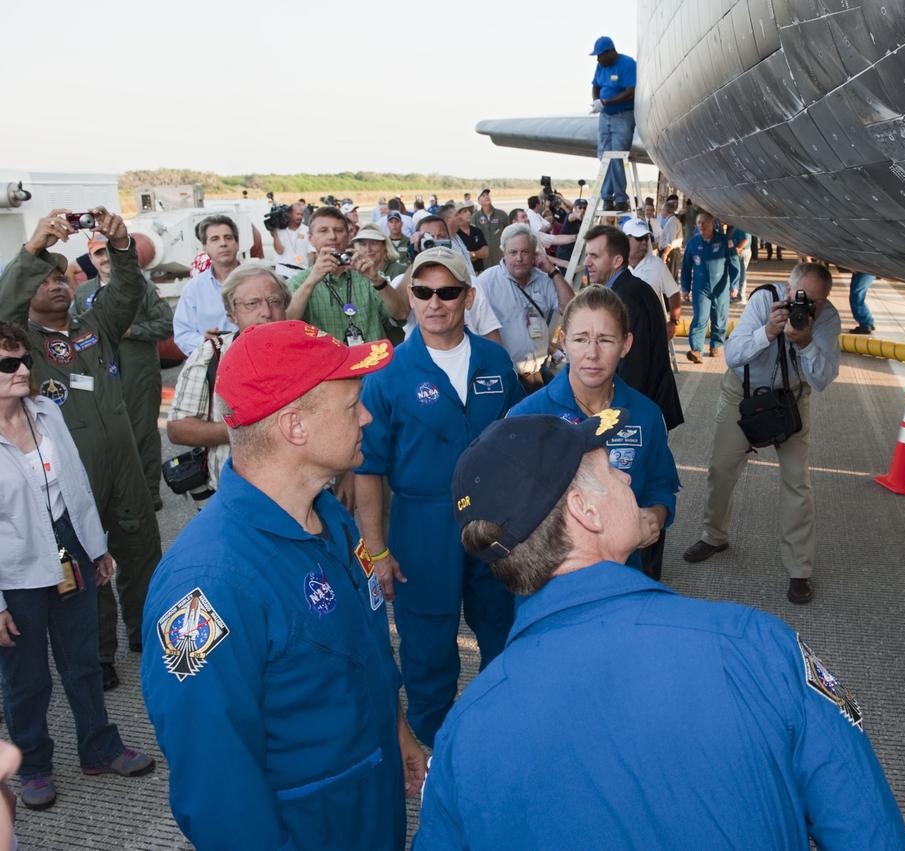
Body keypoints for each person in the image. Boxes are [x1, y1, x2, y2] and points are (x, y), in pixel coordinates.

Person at [412, 411, 905, 849]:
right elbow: (867, 830)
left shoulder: (464, 735)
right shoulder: (754, 647)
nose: (626, 474)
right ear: (584, 512)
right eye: (609, 468)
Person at [142, 320, 423, 850]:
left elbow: (363, 651)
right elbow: (215, 790)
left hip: (371, 801)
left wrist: (398, 730)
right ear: (295, 427)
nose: (367, 416)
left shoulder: (331, 519)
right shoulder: (208, 585)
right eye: (351, 405)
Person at [353, 247, 521, 747]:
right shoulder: (386, 374)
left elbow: (517, 444)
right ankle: (431, 752)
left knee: (504, 633)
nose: (434, 302)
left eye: (447, 292)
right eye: (422, 292)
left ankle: (502, 736)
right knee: (427, 649)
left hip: (494, 525)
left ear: (468, 298)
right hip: (421, 528)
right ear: (410, 296)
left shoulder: (495, 360)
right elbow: (367, 471)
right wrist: (377, 551)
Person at [0, 208, 163, 691]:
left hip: (124, 461)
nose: (56, 284)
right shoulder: (19, 345)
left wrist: (120, 248)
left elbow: (129, 291)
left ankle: (147, 629)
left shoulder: (95, 326)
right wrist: (32, 250)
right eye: (43, 279)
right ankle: (98, 653)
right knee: (89, 559)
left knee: (140, 547)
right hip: (73, 471)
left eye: (62, 276)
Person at [0, 320, 155, 811]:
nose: (24, 369)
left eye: (25, 358)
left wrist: (96, 547)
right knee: (26, 679)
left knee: (83, 661)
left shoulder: (46, 409)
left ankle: (100, 746)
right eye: (9, 363)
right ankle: (32, 767)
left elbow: (75, 486)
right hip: (12, 570)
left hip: (68, 546)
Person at [683, 263, 841, 605]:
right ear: (787, 289)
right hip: (743, 394)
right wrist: (767, 332)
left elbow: (823, 379)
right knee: (722, 469)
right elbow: (732, 356)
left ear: (825, 301)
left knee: (798, 483)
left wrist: (806, 343)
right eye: (799, 297)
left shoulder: (826, 319)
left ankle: (799, 569)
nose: (804, 307)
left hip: (792, 401)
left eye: (814, 302)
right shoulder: (762, 301)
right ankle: (714, 535)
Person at [508, 286, 677, 579]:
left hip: (624, 572)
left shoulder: (646, 415)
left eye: (606, 340)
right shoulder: (525, 416)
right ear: (563, 342)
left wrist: (656, 514)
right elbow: (506, 502)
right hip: (548, 578)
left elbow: (662, 482)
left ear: (626, 344)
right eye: (581, 339)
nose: (592, 353)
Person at [165, 262, 290, 499]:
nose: (266, 312)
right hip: (236, 495)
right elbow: (178, 428)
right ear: (232, 313)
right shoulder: (210, 354)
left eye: (274, 301)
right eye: (252, 304)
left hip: (300, 493)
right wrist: (246, 430)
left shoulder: (306, 352)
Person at [71, 235, 173, 509]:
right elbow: (74, 330)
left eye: (109, 252)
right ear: (91, 259)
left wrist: (132, 331)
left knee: (142, 432)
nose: (105, 258)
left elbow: (166, 324)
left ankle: (149, 492)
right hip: (100, 375)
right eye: (98, 254)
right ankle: (121, 492)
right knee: (109, 435)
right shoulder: (83, 293)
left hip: (138, 371)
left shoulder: (142, 286)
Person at [581, 225, 683, 430]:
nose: (587, 263)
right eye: (586, 255)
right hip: (644, 406)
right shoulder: (631, 288)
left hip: (637, 412)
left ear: (617, 261)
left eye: (594, 256)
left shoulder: (624, 299)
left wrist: (619, 418)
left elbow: (634, 365)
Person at [473, 223, 575, 392]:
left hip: (538, 371)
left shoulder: (544, 279)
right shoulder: (486, 282)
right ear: (503, 252)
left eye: (525, 252)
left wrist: (552, 270)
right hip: (507, 375)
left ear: (534, 253)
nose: (519, 258)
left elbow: (571, 310)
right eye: (513, 252)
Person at [285, 205, 409, 345]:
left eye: (338, 230)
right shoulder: (299, 282)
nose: (332, 236)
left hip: (372, 362)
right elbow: (286, 325)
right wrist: (311, 282)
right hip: (328, 364)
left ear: (349, 235)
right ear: (311, 238)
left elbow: (401, 315)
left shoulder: (368, 275)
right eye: (323, 231)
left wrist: (378, 281)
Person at [397, 218, 502, 343]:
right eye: (423, 292)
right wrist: (414, 258)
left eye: (450, 293)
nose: (434, 242)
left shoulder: (470, 282)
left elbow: (490, 331)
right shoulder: (403, 281)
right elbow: (400, 313)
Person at [173, 215, 241, 356]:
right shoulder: (193, 289)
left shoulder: (259, 280)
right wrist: (205, 341)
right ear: (205, 247)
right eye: (215, 239)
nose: (223, 243)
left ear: (237, 243)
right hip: (213, 363)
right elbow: (182, 334)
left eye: (228, 237)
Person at [589, 36, 637, 209]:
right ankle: (607, 197)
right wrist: (597, 101)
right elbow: (595, 85)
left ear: (610, 52)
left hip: (623, 116)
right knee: (604, 157)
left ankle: (620, 198)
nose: (598, 59)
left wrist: (607, 102)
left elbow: (631, 91)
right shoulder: (601, 66)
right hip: (605, 116)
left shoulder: (627, 64)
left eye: (600, 55)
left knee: (617, 157)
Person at [680, 211, 731, 363]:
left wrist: (734, 284)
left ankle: (715, 345)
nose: (702, 225)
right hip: (701, 288)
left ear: (712, 223)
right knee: (700, 318)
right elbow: (686, 267)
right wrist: (684, 287)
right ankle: (696, 350)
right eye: (699, 222)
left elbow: (734, 263)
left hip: (720, 287)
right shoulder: (693, 243)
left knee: (719, 318)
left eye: (705, 222)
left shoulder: (723, 241)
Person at [623, 217, 681, 339]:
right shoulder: (616, 265)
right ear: (626, 239)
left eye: (646, 238)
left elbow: (674, 292)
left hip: (651, 332)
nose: (644, 242)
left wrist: (673, 321)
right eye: (639, 238)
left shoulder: (657, 264)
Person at [471, 189, 509, 271]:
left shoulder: (502, 214)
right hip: (484, 261)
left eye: (487, 195)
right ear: (479, 201)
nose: (487, 197)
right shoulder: (475, 217)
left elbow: (509, 234)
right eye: (483, 196)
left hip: (501, 258)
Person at [270, 202, 311, 277]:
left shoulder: (307, 231)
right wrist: (274, 234)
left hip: (301, 273)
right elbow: (279, 251)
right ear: (290, 214)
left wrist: (310, 272)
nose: (300, 217)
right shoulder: (279, 230)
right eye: (297, 214)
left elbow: (312, 253)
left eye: (301, 214)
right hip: (282, 271)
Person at [452, 201, 488, 273]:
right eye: (465, 211)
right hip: (464, 274)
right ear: (457, 215)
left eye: (469, 211)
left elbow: (485, 252)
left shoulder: (477, 231)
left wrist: (472, 254)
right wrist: (477, 254)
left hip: (480, 272)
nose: (469, 213)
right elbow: (460, 259)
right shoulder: (455, 235)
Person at [655, 197, 683, 282]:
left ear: (666, 211)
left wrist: (664, 255)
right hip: (668, 252)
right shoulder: (669, 220)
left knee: (669, 280)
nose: (661, 212)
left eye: (662, 210)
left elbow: (670, 241)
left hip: (670, 253)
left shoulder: (672, 221)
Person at [726, 222, 751, 303]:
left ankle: (741, 297)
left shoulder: (743, 225)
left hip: (742, 252)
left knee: (741, 275)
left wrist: (737, 248)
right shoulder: (736, 225)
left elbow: (746, 240)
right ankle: (737, 296)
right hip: (739, 251)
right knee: (739, 274)